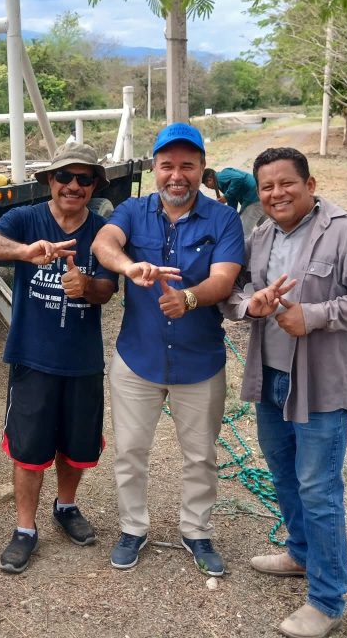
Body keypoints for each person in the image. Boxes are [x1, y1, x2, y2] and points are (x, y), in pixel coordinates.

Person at [221, 147, 347, 638]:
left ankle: (327, 599)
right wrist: (251, 305)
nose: (276, 194)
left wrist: (317, 316)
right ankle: (300, 553)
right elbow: (234, 293)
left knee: (319, 489)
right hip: (270, 378)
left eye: (287, 183)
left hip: (319, 384)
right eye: (267, 187)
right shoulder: (260, 235)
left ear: (310, 185)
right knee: (283, 474)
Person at [91, 123, 244, 574]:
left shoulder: (224, 219)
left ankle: (196, 531)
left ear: (202, 169)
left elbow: (225, 278)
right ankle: (132, 528)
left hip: (200, 360)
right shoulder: (132, 210)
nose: (177, 176)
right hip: (137, 358)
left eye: (187, 166)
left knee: (200, 456)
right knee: (130, 452)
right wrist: (128, 266)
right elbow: (103, 242)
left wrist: (190, 298)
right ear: (154, 169)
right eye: (167, 166)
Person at [0, 142, 119, 574]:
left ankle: (66, 506)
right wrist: (25, 252)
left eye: (84, 178)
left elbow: (108, 290)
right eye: (64, 176)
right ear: (50, 181)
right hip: (32, 358)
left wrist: (86, 287)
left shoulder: (103, 231)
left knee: (76, 446)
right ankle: (25, 529)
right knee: (29, 449)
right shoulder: (27, 218)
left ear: (94, 186)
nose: (73, 186)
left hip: (82, 360)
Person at [203, 166, 264, 237]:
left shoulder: (220, 176)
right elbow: (232, 201)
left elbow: (238, 178)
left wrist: (226, 197)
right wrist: (231, 216)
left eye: (206, 184)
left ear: (209, 179)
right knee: (266, 228)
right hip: (258, 197)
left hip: (253, 198)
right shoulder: (223, 184)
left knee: (242, 233)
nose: (207, 187)